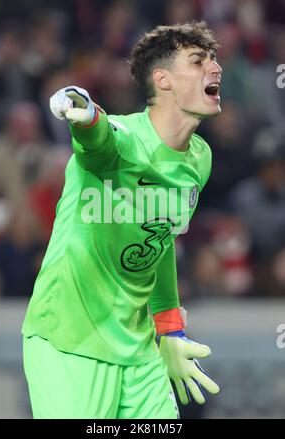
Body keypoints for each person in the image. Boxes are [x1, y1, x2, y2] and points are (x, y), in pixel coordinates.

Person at [22, 21, 221, 419]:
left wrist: (169, 329)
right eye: (198, 61)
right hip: (69, 342)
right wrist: (83, 110)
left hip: (139, 351)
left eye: (213, 59)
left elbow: (159, 241)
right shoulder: (124, 140)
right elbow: (99, 138)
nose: (215, 69)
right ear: (162, 80)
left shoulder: (199, 159)